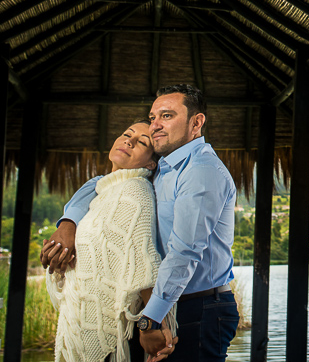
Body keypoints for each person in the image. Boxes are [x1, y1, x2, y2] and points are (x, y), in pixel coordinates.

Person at [43, 86, 238, 362]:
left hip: (198, 307)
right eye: (153, 116)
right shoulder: (165, 168)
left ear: (196, 123)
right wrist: (68, 222)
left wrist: (151, 320)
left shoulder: (200, 171)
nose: (156, 124)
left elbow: (184, 253)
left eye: (167, 115)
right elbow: (99, 184)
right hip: (164, 307)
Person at [44, 122, 176, 362]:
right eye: (127, 134)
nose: (129, 141)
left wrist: (154, 325)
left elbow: (142, 261)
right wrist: (64, 251)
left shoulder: (135, 191)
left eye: (142, 142)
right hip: (84, 322)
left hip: (116, 328)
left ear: (150, 163)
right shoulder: (103, 190)